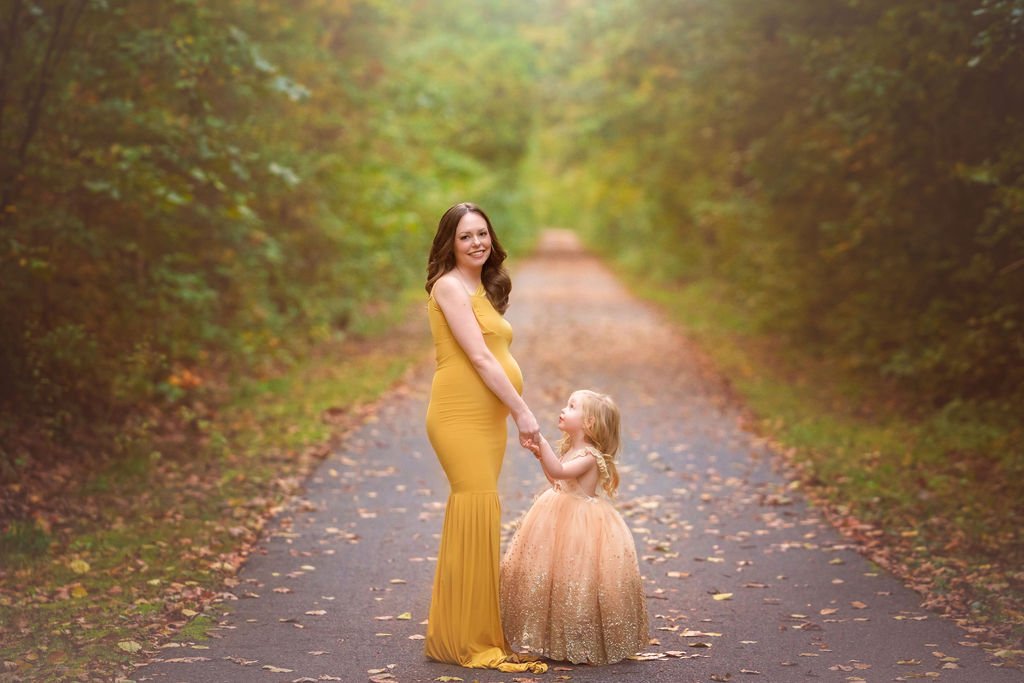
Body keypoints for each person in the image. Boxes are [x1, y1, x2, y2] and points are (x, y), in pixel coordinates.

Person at [422, 202, 546, 673]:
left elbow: (494, 355)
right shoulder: (450, 287)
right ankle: (466, 639)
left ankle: (458, 633)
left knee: (480, 514)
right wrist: (523, 412)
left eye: (482, 233)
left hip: (486, 418)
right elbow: (478, 358)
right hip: (459, 416)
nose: (477, 242)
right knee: (474, 509)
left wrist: (508, 409)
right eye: (466, 236)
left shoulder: (480, 286)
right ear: (450, 244)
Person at [501, 390, 650, 665]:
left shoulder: (591, 455)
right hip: (558, 513)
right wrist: (540, 456)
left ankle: (580, 639)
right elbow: (556, 480)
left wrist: (541, 441)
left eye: (571, 407)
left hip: (580, 524)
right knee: (553, 578)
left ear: (589, 423)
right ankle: (554, 637)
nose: (563, 409)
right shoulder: (572, 449)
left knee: (577, 582)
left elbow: (559, 471)